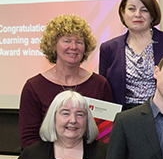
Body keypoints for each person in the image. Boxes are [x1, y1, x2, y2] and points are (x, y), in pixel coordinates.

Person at [19, 14, 113, 148]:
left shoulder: (100, 84)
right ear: (53, 45)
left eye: (79, 42)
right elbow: (29, 139)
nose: (73, 47)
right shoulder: (33, 87)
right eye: (67, 41)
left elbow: (106, 135)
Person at [99, 0, 163, 110]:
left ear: (152, 15)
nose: (137, 14)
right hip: (124, 119)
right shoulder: (108, 48)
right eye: (131, 9)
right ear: (122, 12)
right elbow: (104, 94)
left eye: (144, 10)